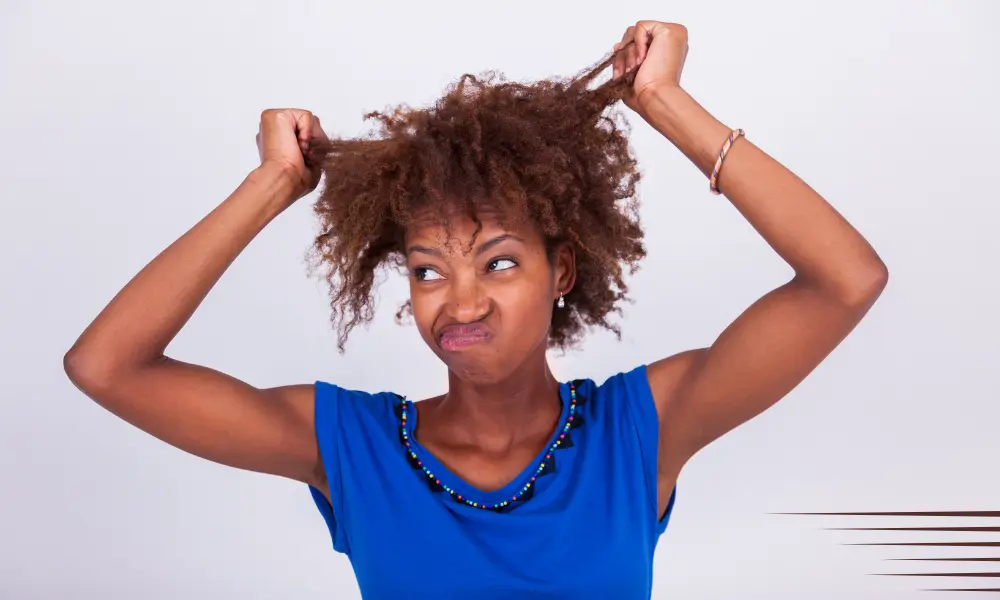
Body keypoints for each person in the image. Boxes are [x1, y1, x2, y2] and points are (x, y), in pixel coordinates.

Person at [64, 20, 888, 599]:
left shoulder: (642, 429)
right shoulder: (350, 447)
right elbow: (106, 367)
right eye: (427, 271)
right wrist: (272, 185)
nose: (460, 301)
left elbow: (844, 279)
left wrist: (665, 101)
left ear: (561, 268)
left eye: (498, 261)